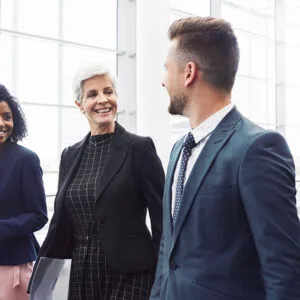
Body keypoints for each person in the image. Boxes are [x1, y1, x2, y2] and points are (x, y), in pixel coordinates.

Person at [150, 16, 300, 300]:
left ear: (189, 72)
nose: (162, 81)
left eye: (166, 69)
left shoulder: (258, 149)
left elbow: (284, 269)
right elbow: (167, 253)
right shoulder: (177, 150)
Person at [29, 63, 165, 300]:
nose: (103, 99)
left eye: (108, 91)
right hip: (82, 272)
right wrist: (42, 280)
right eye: (92, 94)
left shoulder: (139, 148)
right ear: (79, 105)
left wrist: (163, 277)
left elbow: (161, 220)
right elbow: (60, 223)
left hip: (132, 274)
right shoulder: (70, 156)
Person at [0, 84, 48, 299]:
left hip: (12, 266)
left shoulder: (25, 159)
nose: (2, 123)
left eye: (7, 116)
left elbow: (38, 215)